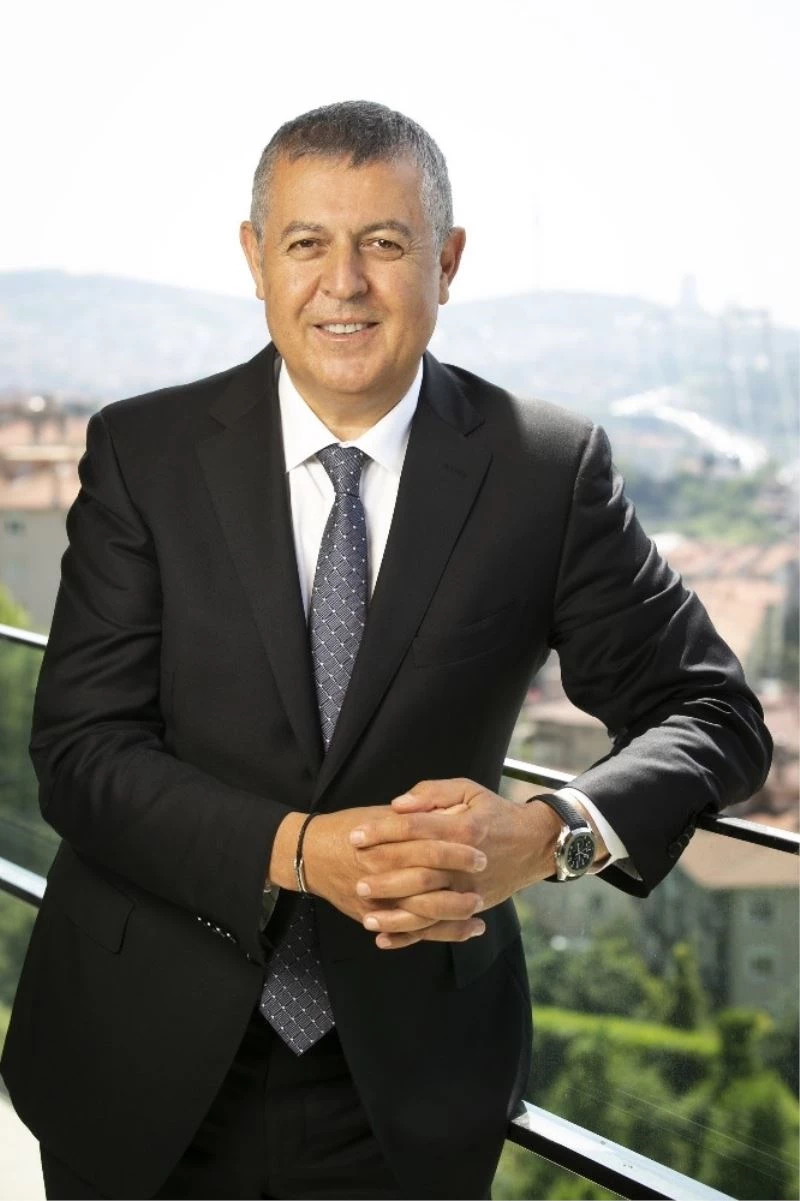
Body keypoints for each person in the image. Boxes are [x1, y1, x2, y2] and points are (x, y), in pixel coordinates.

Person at [2, 100, 771, 1200]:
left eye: (384, 243)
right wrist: (295, 850)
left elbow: (712, 714)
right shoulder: (142, 450)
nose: (344, 283)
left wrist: (548, 836)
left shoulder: (544, 472)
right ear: (255, 258)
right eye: (306, 243)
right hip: (133, 1049)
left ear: (445, 262)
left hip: (405, 1091)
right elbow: (81, 751)